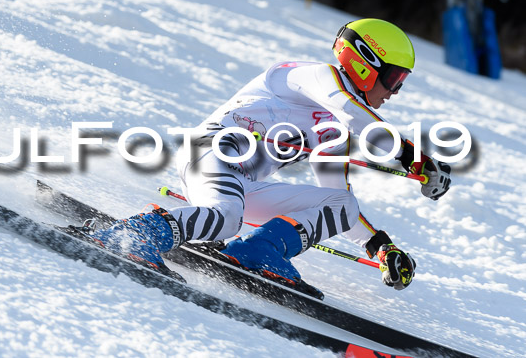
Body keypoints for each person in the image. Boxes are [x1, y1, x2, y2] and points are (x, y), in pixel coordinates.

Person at [91, 18, 452, 293]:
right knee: (226, 217)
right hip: (211, 153)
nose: (395, 92)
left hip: (245, 184)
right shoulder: (310, 76)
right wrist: (410, 156)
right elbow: (350, 110)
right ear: (365, 63)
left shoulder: (337, 129)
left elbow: (335, 193)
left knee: (344, 204)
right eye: (394, 79)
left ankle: (260, 249)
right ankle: (136, 235)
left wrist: (381, 247)